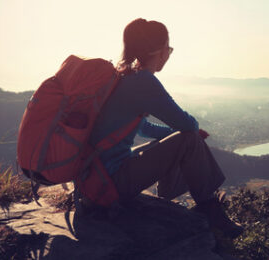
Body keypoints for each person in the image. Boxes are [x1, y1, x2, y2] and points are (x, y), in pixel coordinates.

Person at [88, 18, 242, 237]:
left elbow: (146, 129)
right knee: (189, 139)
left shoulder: (123, 77)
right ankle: (210, 210)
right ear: (159, 51)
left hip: (97, 175)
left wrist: (178, 136)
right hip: (111, 181)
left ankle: (169, 200)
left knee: (182, 139)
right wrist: (191, 133)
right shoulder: (143, 82)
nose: (169, 55)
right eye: (169, 49)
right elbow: (186, 123)